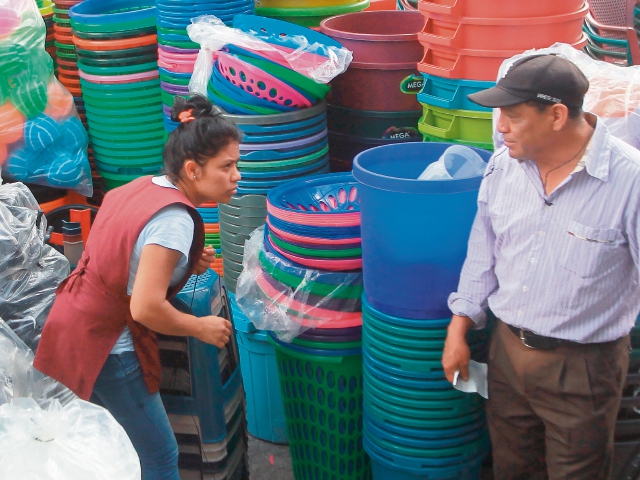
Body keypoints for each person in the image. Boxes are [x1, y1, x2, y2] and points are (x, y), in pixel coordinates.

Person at [442, 54, 640, 479]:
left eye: (513, 116)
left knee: (577, 472)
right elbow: (484, 253)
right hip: (508, 352)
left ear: (556, 115)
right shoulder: (503, 167)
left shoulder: (630, 181)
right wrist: (458, 328)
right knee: (513, 466)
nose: (500, 127)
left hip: (584, 367)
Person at [34, 95, 242, 479]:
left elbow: (123, 256)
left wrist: (183, 263)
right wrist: (200, 327)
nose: (236, 175)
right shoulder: (175, 221)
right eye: (227, 166)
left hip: (74, 320)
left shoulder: (144, 185)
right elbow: (144, 308)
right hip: (108, 345)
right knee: (160, 454)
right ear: (194, 170)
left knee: (111, 441)